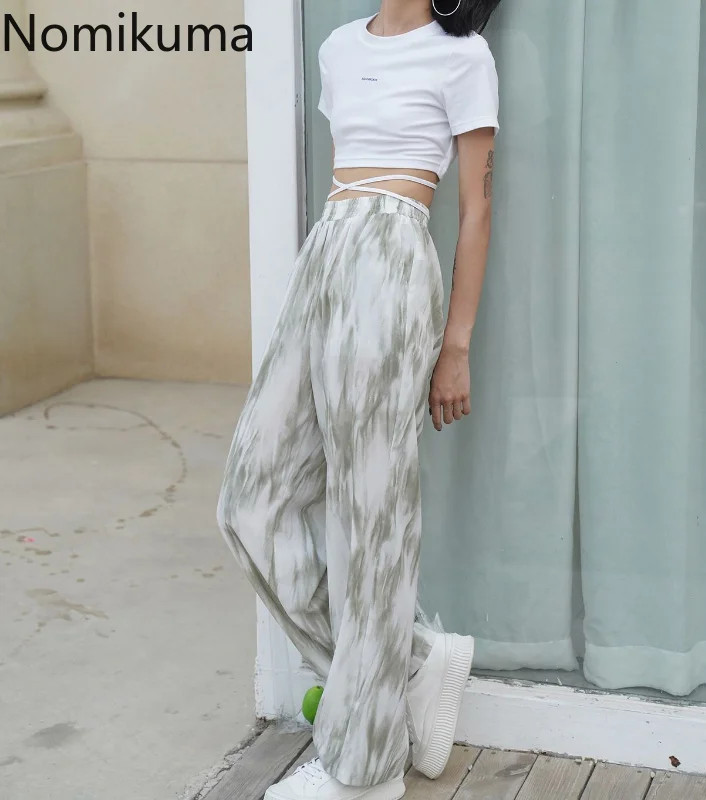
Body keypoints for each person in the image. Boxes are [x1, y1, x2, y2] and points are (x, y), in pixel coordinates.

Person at [217, 0, 501, 797]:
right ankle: (408, 662)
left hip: (394, 255)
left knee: (371, 516)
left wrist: (455, 346)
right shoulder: (339, 47)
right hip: (328, 253)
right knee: (249, 501)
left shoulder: (462, 58)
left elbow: (477, 209)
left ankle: (366, 770)